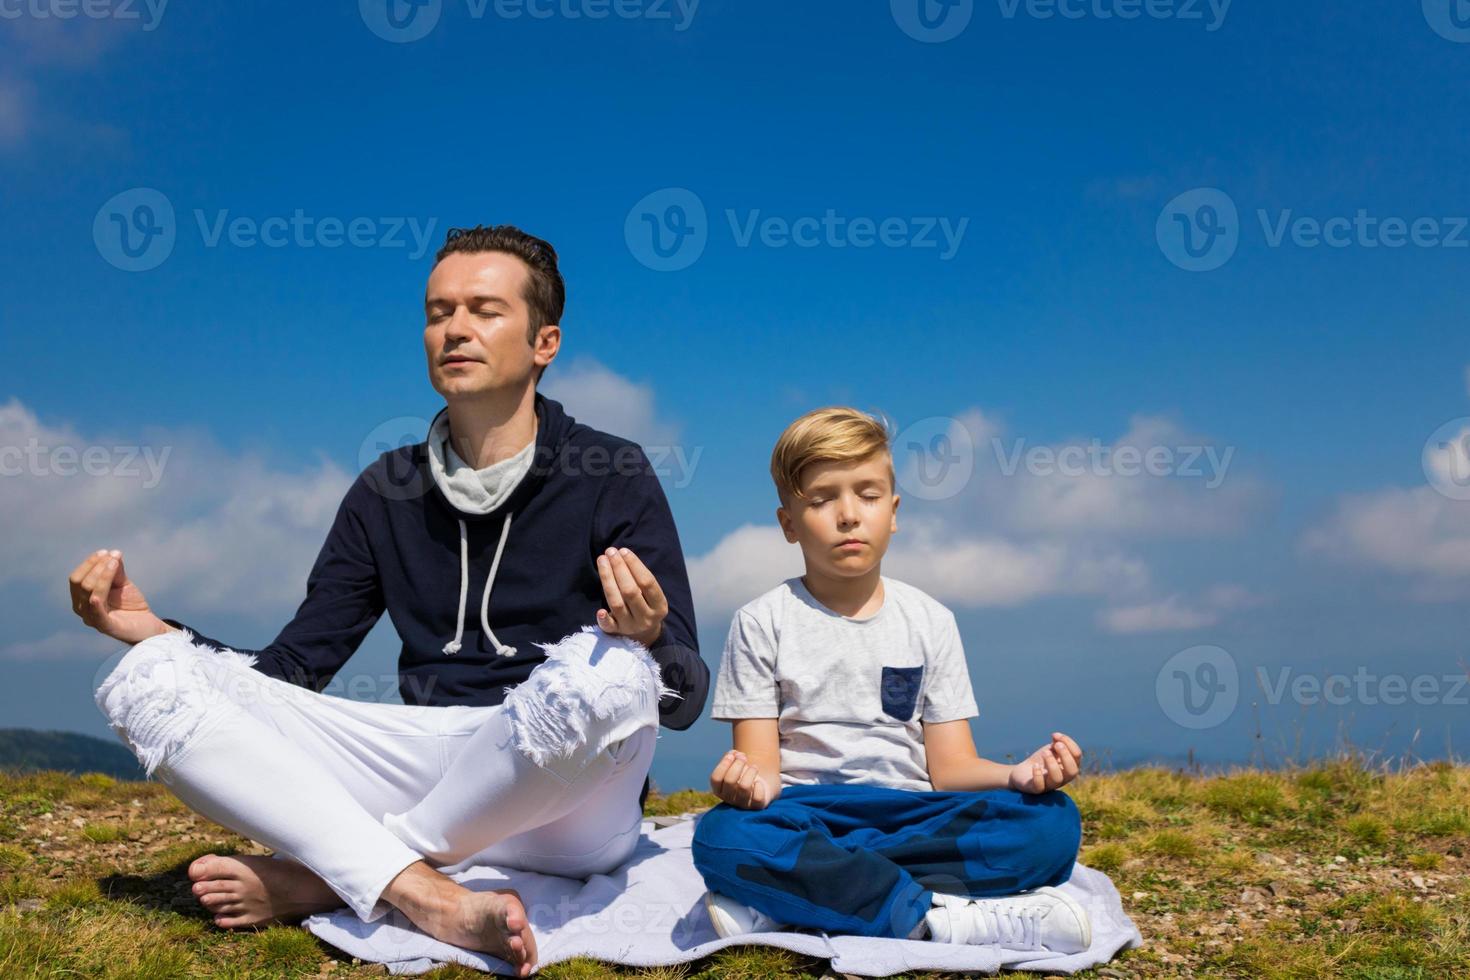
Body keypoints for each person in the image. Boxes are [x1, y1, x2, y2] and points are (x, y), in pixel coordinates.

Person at [70, 225, 708, 976]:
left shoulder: (612, 471)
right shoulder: (385, 490)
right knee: (152, 676)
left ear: (545, 343)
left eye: (484, 309)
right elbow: (291, 668)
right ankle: (419, 888)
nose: (455, 329)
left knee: (612, 672)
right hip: (420, 766)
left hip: (560, 800)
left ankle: (327, 875)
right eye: (439, 312)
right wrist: (151, 630)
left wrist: (649, 638)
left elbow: (685, 695)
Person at [690, 406, 1090, 952]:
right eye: (822, 498)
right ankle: (939, 920)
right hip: (808, 816)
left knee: (1052, 825)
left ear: (894, 511)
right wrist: (743, 785)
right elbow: (762, 769)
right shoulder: (761, 621)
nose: (848, 515)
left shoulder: (931, 620)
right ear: (788, 523)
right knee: (721, 838)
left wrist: (1018, 775)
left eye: (868, 494)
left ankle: (809, 899)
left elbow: (951, 769)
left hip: (914, 815)